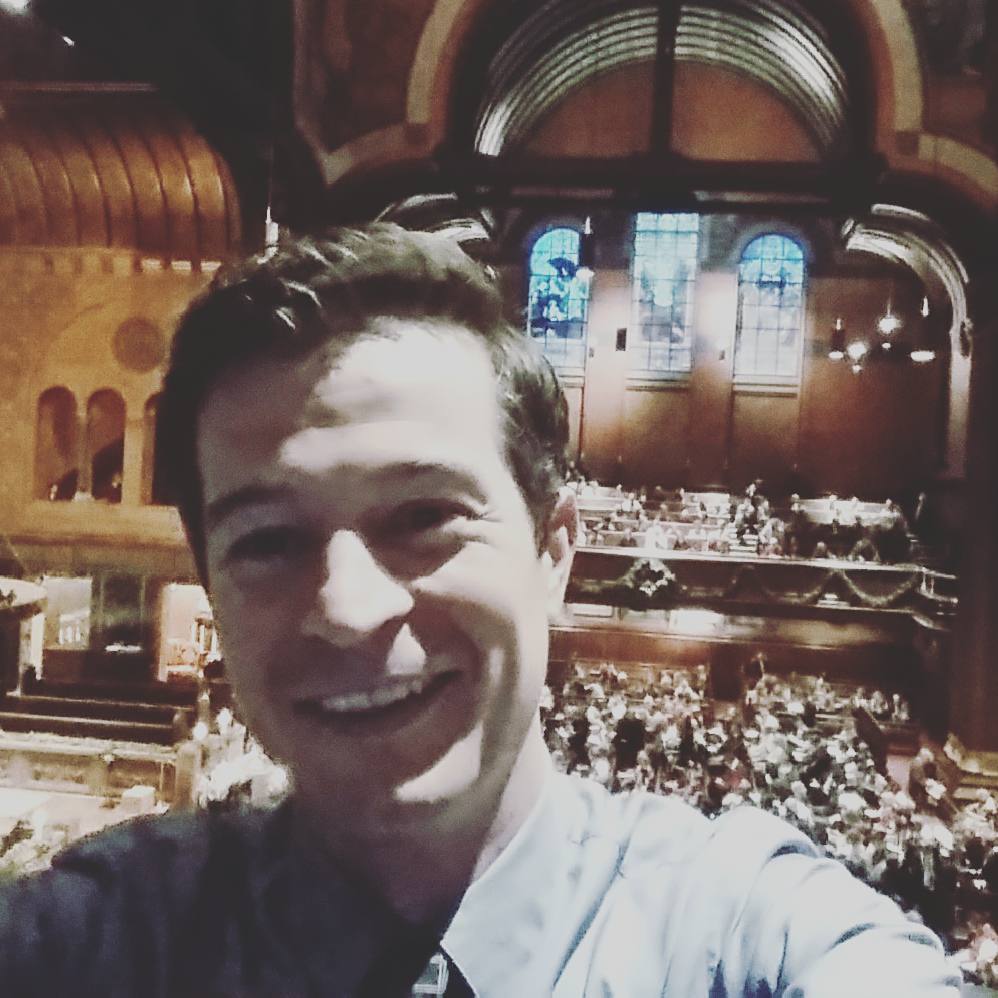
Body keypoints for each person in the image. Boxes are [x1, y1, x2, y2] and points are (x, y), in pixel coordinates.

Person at [0, 224, 960, 997]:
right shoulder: (101, 941)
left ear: (555, 551)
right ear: (212, 590)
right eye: (268, 541)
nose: (347, 610)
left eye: (424, 517)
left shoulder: (744, 932)